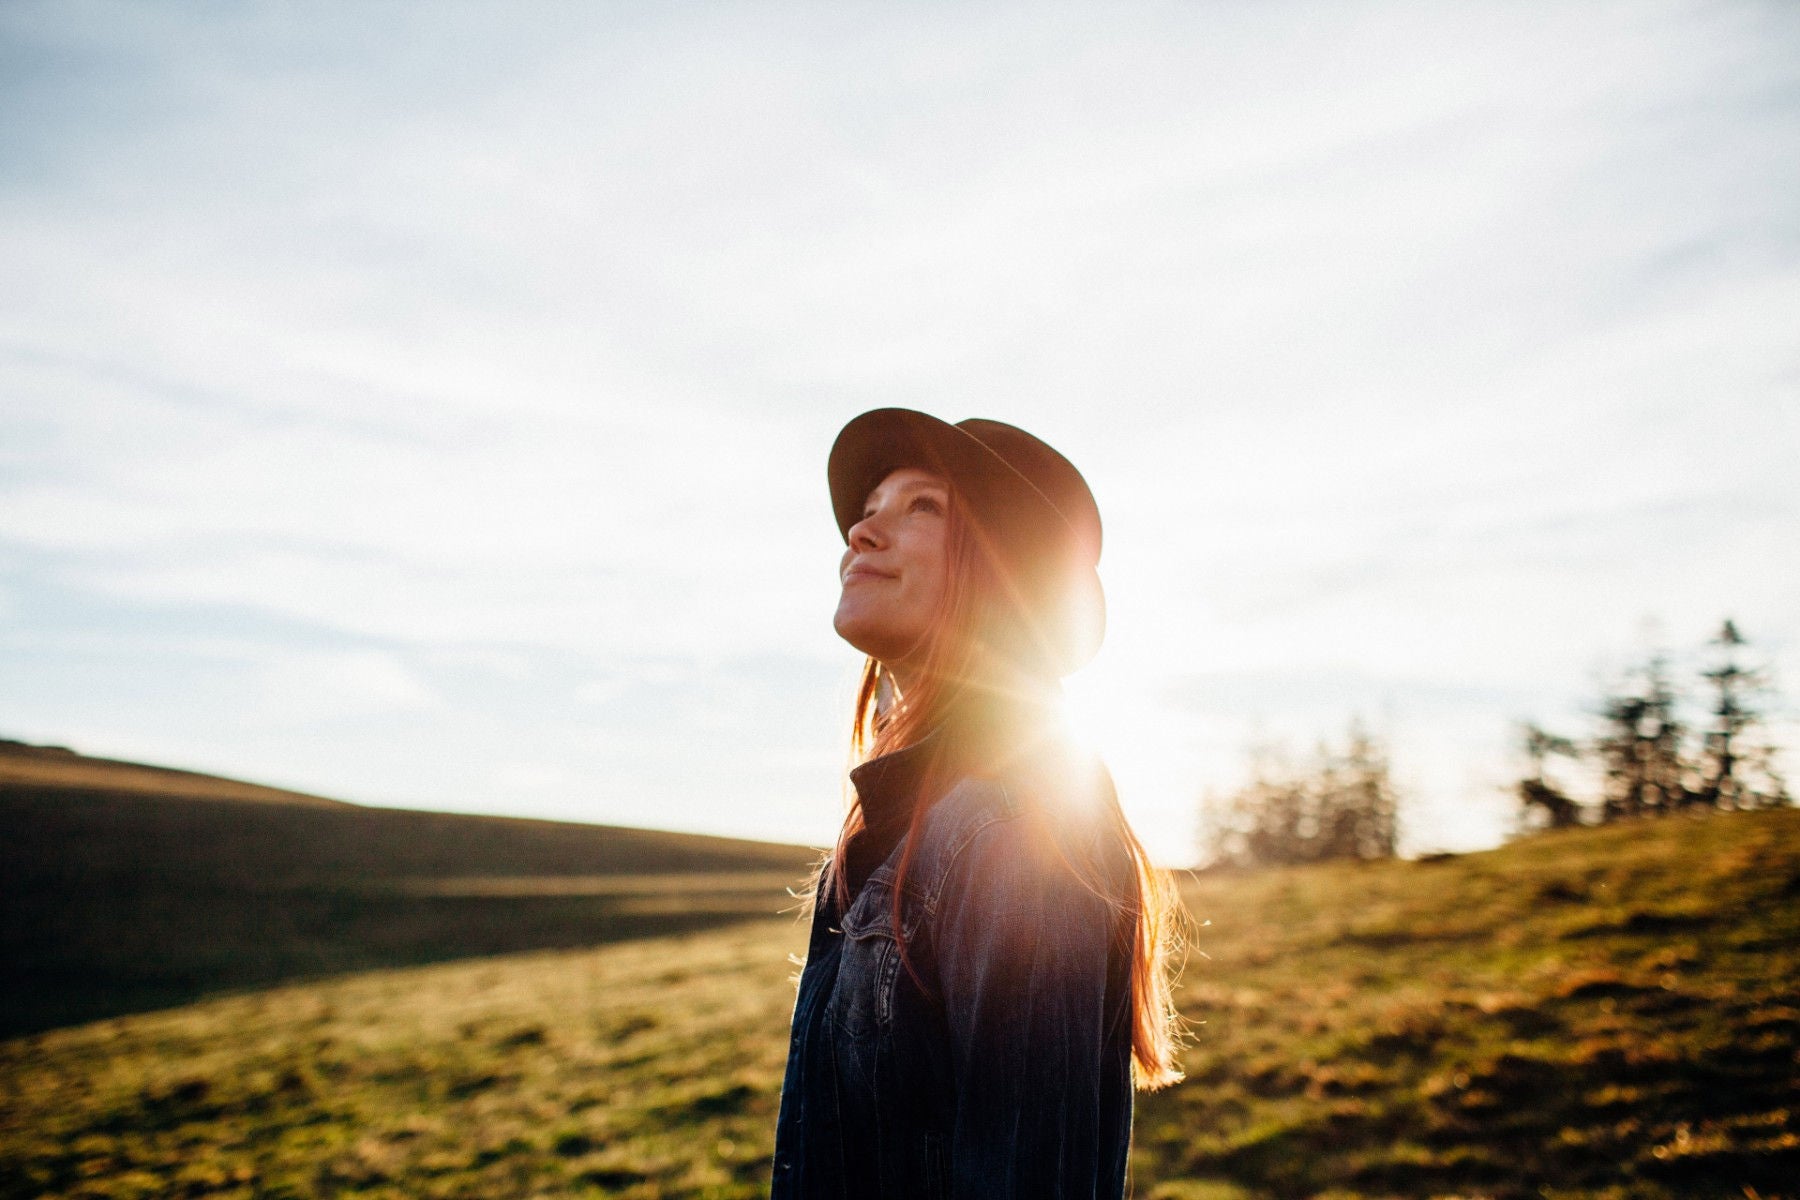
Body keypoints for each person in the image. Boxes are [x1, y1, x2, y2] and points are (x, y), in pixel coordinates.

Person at [771, 408, 1184, 1200]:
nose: (861, 534)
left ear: (1004, 571)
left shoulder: (1015, 833)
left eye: (921, 506)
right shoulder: (890, 830)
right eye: (867, 512)